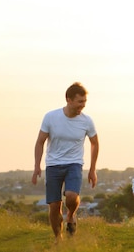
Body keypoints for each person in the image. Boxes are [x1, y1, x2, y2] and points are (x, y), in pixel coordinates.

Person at [31, 82, 99, 242]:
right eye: (79, 101)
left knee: (71, 196)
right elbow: (40, 141)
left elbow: (95, 143)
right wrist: (36, 166)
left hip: (74, 164)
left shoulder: (87, 121)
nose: (82, 105)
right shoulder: (51, 117)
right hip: (53, 165)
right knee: (54, 206)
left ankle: (71, 215)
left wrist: (92, 169)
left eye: (84, 102)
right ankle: (58, 238)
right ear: (68, 99)